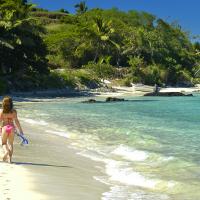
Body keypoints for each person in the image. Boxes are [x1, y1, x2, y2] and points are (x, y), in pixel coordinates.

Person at [0, 96, 24, 163]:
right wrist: (21, 131)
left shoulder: (2, 111)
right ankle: (9, 160)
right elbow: (17, 121)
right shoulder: (14, 111)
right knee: (10, 144)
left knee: (4, 143)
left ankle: (6, 152)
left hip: (4, 128)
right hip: (12, 128)